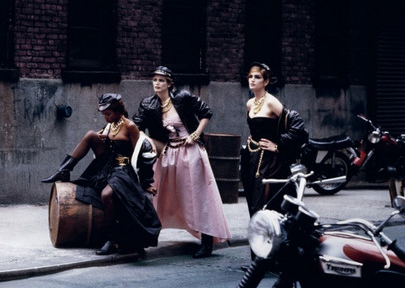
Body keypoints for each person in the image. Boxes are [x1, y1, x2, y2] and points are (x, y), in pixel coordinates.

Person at [41, 93, 161, 256]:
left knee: (106, 195)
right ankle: (63, 170)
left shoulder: (130, 126)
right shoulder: (110, 125)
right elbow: (102, 140)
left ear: (118, 111)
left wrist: (146, 182)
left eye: (108, 114)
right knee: (91, 134)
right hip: (107, 164)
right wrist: (102, 137)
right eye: (103, 114)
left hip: (122, 168)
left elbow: (141, 153)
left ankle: (111, 239)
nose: (105, 117)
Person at [133, 66, 231, 258]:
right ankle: (146, 238)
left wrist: (195, 134)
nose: (157, 83)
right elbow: (136, 127)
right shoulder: (148, 104)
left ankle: (207, 242)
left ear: (169, 83)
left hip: (190, 152)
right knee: (159, 195)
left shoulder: (182, 97)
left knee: (199, 195)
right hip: (167, 153)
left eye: (161, 80)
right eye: (154, 80)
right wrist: (149, 142)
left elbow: (206, 113)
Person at [241, 62, 307, 216]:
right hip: (252, 156)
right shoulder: (250, 103)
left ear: (266, 82)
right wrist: (253, 137)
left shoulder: (271, 102)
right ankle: (258, 227)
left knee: (264, 198)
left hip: (269, 160)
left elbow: (296, 125)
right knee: (252, 194)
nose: (252, 80)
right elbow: (257, 127)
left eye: (257, 77)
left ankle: (270, 227)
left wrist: (277, 145)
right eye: (250, 76)